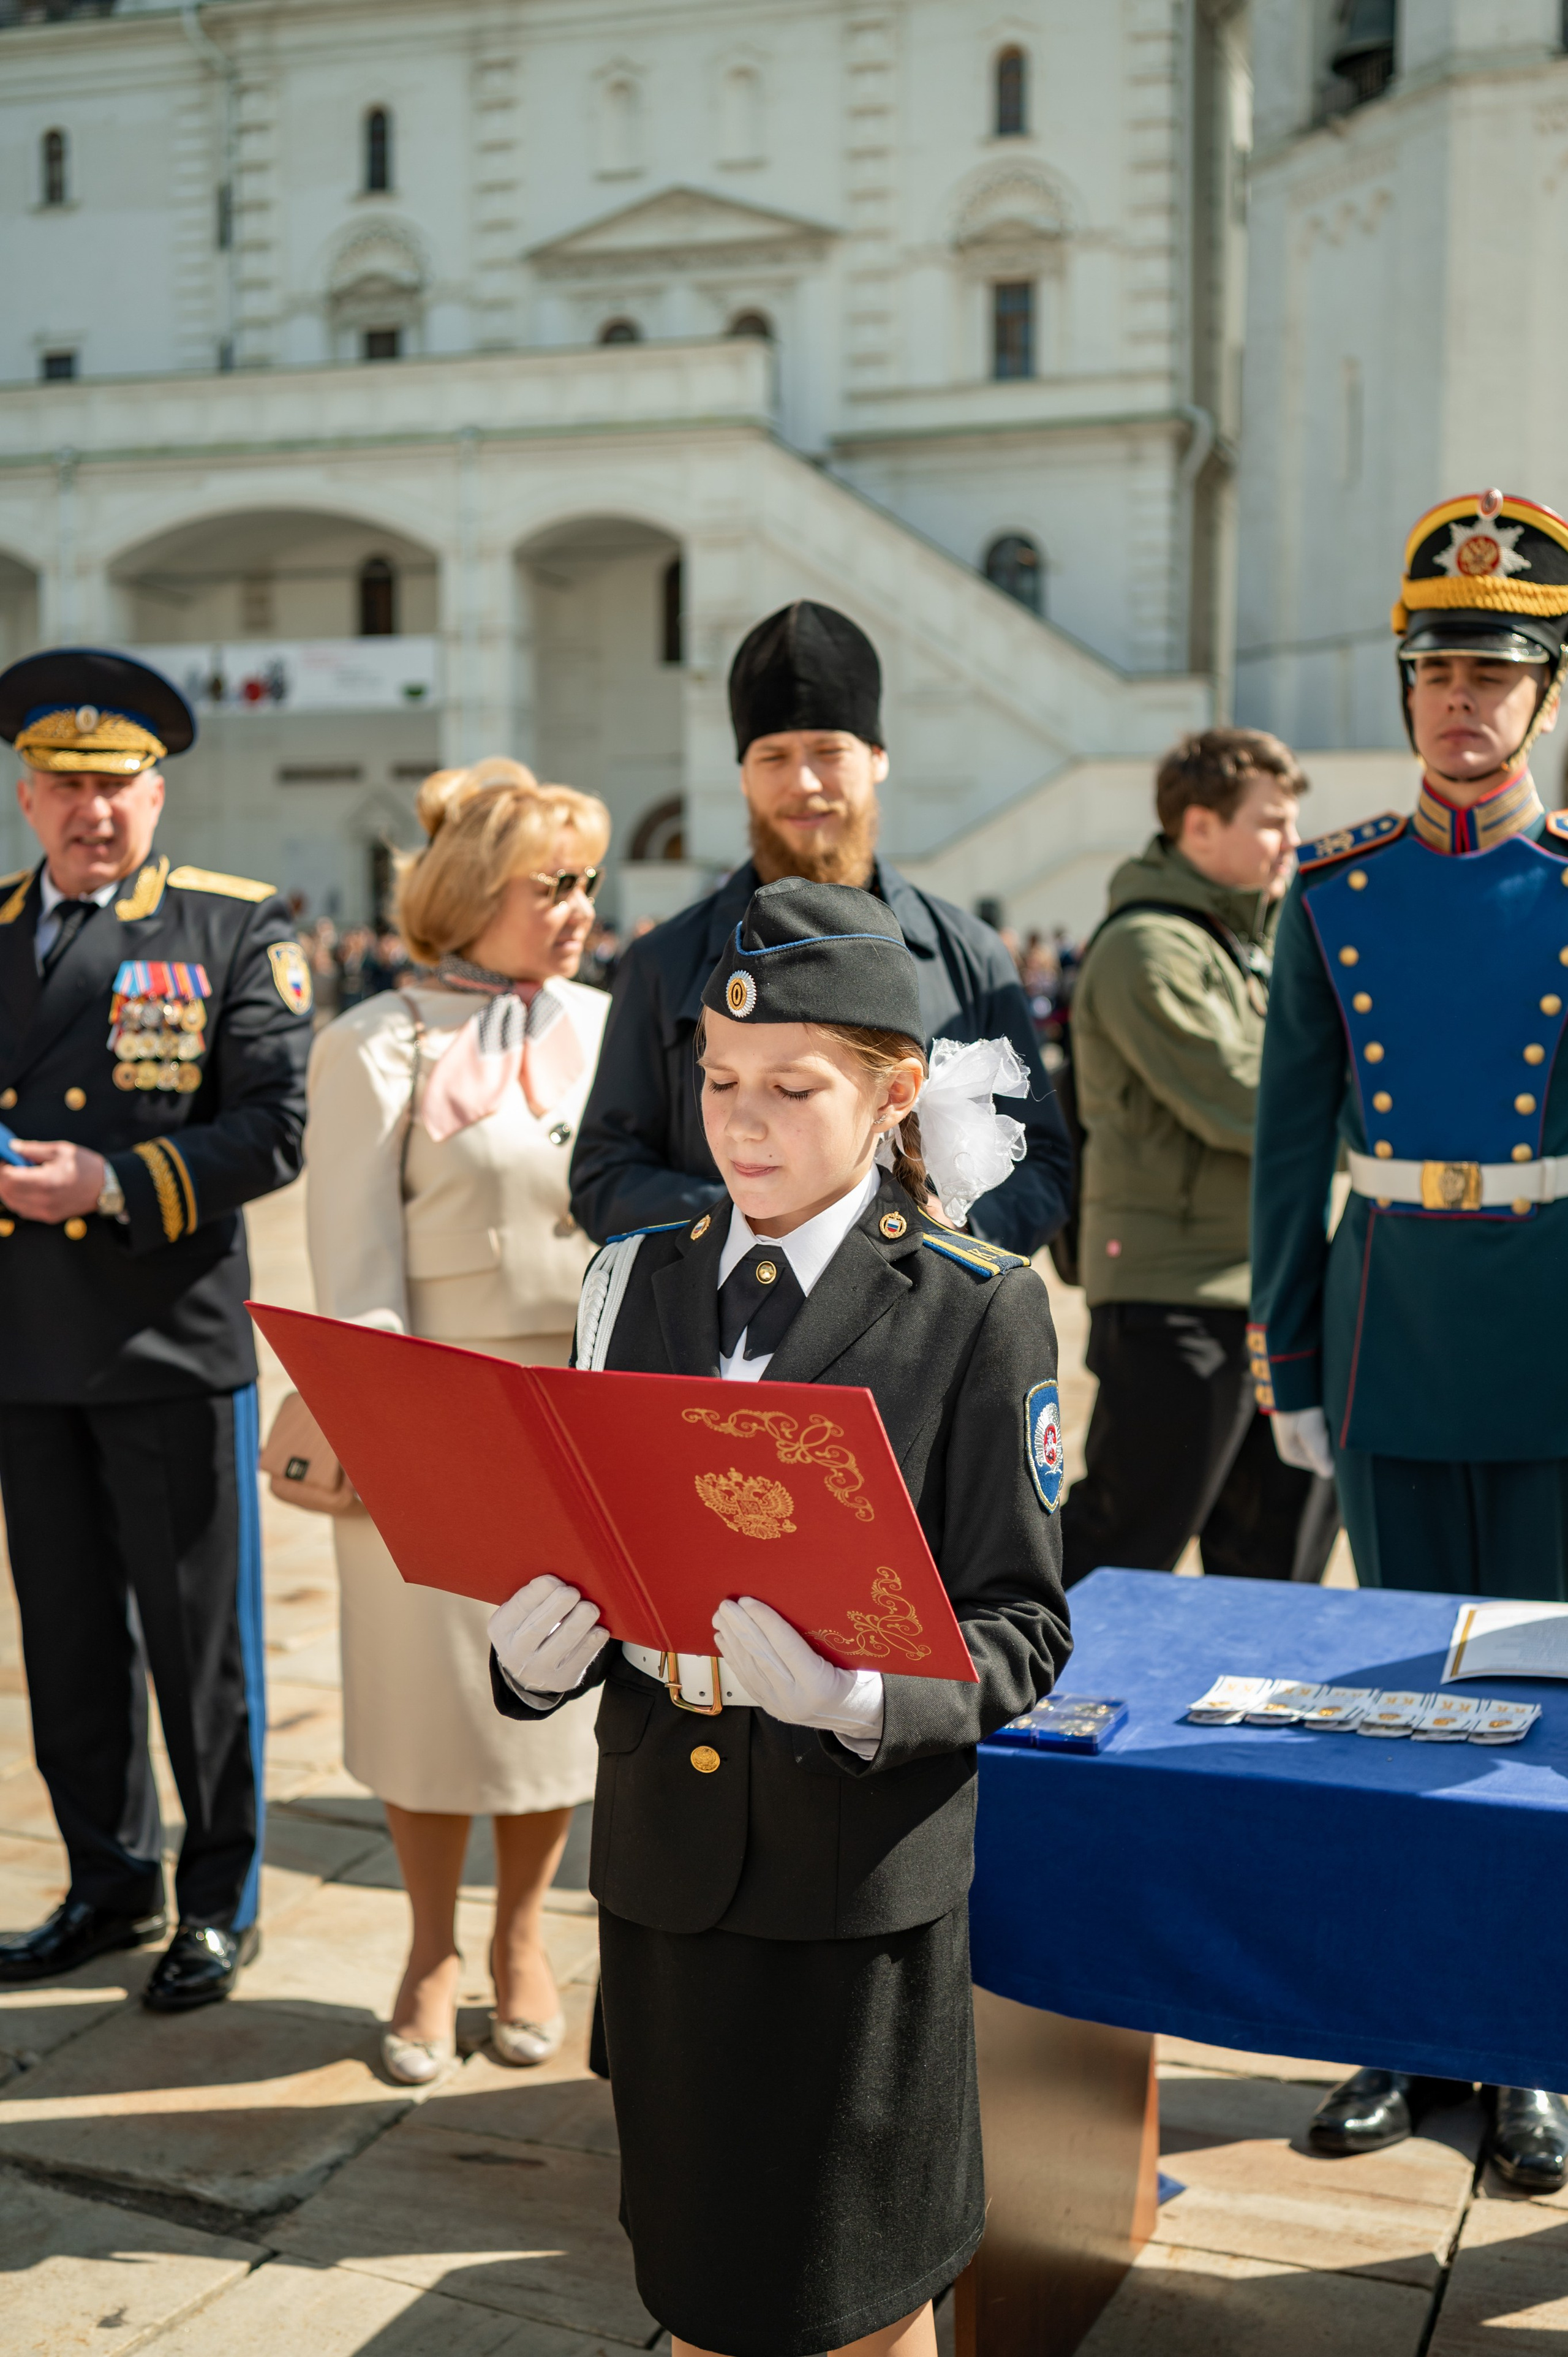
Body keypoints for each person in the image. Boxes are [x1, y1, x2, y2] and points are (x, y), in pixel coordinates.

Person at [488, 877, 1071, 2357]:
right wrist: (533, 1653)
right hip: (667, 1873)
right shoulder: (632, 1281)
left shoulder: (972, 1303)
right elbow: (590, 1546)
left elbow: (1022, 1621)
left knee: (858, 2302)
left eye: (791, 1089)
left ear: (893, 1095)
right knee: (698, 2283)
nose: (740, 1124)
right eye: (718, 1081)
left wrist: (861, 1700)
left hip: (850, 1885)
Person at [1250, 488, 1568, 2189]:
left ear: (1546, 693)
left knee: (1535, 1705)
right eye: (1438, 667)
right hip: (1389, 1334)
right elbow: (1291, 1148)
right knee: (1406, 1699)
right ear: (1405, 690)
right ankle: (1402, 2027)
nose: (1463, 699)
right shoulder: (1334, 889)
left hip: (1550, 1332)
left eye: (1497, 673)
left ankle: (1525, 2051)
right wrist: (1290, 1364)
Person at [0, 649, 311, 2006]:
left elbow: (273, 1128)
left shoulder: (232, 928)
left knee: (200, 1647)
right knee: (66, 1639)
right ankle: (108, 1876)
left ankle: (218, 1896)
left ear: (157, 790)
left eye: (116, 783)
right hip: (24, 1346)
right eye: (66, 785)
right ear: (25, 797)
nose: (93, 811)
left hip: (166, 1339)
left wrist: (112, 1184)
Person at [304, 757, 609, 2083]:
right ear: (477, 891)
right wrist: (395, 1439)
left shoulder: (607, 1026)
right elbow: (353, 1272)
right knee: (430, 1705)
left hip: (582, 1414)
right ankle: (430, 1950)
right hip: (432, 1414)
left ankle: (522, 1942)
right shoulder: (373, 1043)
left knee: (550, 1708)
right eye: (556, 884)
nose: (581, 908)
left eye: (590, 882)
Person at [569, 600, 1071, 1258]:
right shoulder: (662, 962)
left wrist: (949, 1243)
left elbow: (1045, 1166)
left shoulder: (971, 958)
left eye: (828, 751)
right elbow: (606, 1176)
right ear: (743, 775)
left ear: (878, 757)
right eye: (774, 756)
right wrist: (763, 1216)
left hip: (925, 1343)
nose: (803, 783)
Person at [1060, 728, 1340, 1587]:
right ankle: (995, 1703)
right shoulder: (1150, 946)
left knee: (1276, 1559)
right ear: (1197, 826)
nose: (1292, 842)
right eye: (1272, 823)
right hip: (1177, 1298)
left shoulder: (1242, 943)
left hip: (1260, 1286)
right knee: (1126, 1544)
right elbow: (1247, 1100)